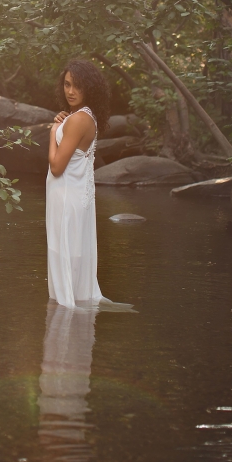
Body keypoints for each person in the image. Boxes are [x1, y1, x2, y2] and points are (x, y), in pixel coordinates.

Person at [46, 58, 135, 311]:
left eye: (78, 86)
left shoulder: (77, 120)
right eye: (67, 84)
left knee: (65, 255)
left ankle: (66, 317)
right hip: (71, 196)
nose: (71, 91)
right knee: (70, 254)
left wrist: (53, 133)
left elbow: (56, 167)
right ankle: (71, 312)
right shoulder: (83, 117)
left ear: (90, 89)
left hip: (67, 198)